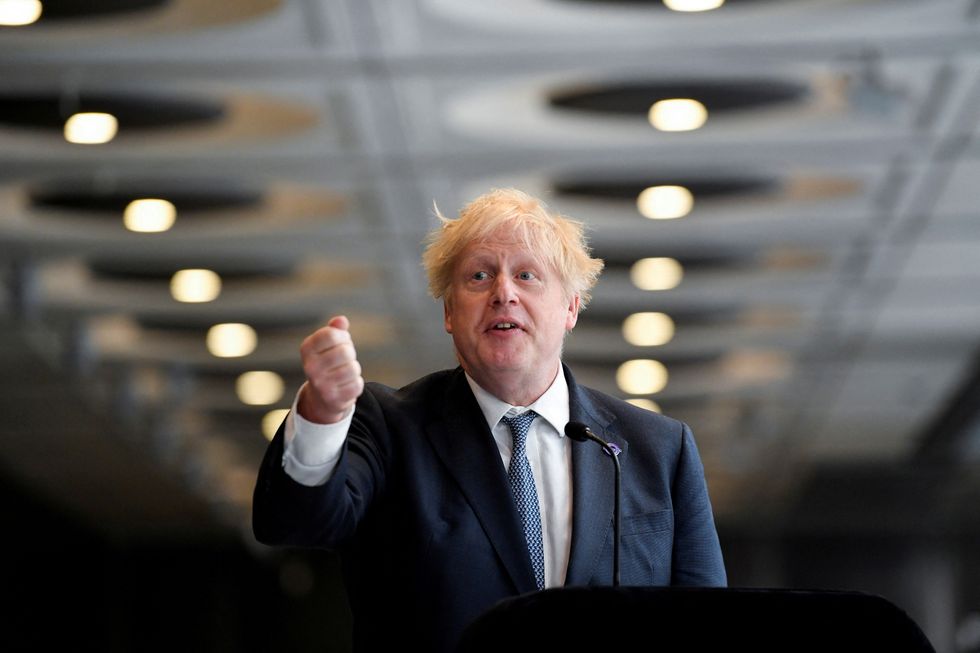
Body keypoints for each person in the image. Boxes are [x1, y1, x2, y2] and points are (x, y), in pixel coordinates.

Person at [252, 188, 726, 652]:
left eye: (527, 276)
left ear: (570, 308)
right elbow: (296, 523)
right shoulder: (389, 427)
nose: (503, 294)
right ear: (449, 312)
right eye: (479, 276)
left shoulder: (658, 449)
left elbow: (706, 625)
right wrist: (324, 415)